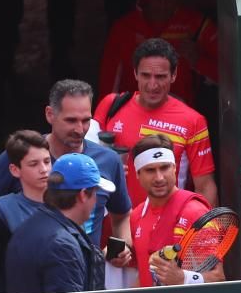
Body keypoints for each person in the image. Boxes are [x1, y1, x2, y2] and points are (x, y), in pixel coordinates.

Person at [0, 80, 133, 269]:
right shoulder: (21, 155)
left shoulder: (109, 160)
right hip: (29, 282)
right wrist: (24, 237)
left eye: (86, 120)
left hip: (86, 284)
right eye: (71, 120)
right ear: (50, 114)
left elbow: (122, 215)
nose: (80, 129)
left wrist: (123, 245)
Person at [93, 38, 218, 208]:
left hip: (165, 226)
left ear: (174, 75)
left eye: (160, 77)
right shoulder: (110, 105)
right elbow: (87, 156)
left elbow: (205, 186)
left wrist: (208, 232)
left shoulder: (193, 121)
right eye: (146, 75)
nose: (153, 85)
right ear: (135, 73)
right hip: (113, 221)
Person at [98, 0, 218, 107]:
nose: (162, 5)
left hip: (179, 117)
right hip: (133, 114)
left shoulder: (196, 25)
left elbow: (232, 76)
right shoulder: (124, 28)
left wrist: (198, 60)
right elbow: (108, 87)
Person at [6, 154, 110, 293]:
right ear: (83, 194)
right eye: (95, 193)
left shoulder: (30, 226)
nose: (95, 200)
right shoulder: (62, 246)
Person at [130, 135, 224, 288]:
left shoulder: (195, 212)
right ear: (137, 174)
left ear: (174, 168)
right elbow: (144, 275)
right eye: (150, 170)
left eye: (165, 167)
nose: (159, 177)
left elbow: (218, 277)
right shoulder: (137, 216)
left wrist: (183, 278)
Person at [0, 131, 51, 293]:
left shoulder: (66, 205)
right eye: (33, 164)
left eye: (47, 161)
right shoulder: (3, 212)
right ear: (15, 170)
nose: (43, 170)